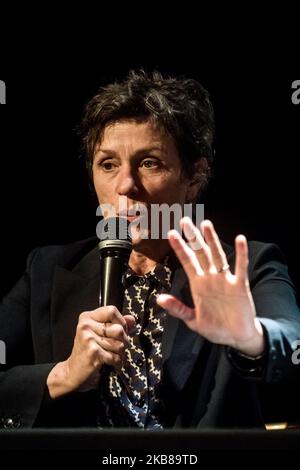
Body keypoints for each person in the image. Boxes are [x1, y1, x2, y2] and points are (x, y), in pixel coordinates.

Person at [0, 70, 300, 429]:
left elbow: (291, 341)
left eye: (149, 163)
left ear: (194, 178)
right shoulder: (46, 271)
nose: (126, 185)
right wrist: (62, 375)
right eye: (108, 164)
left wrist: (251, 338)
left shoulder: (247, 267)